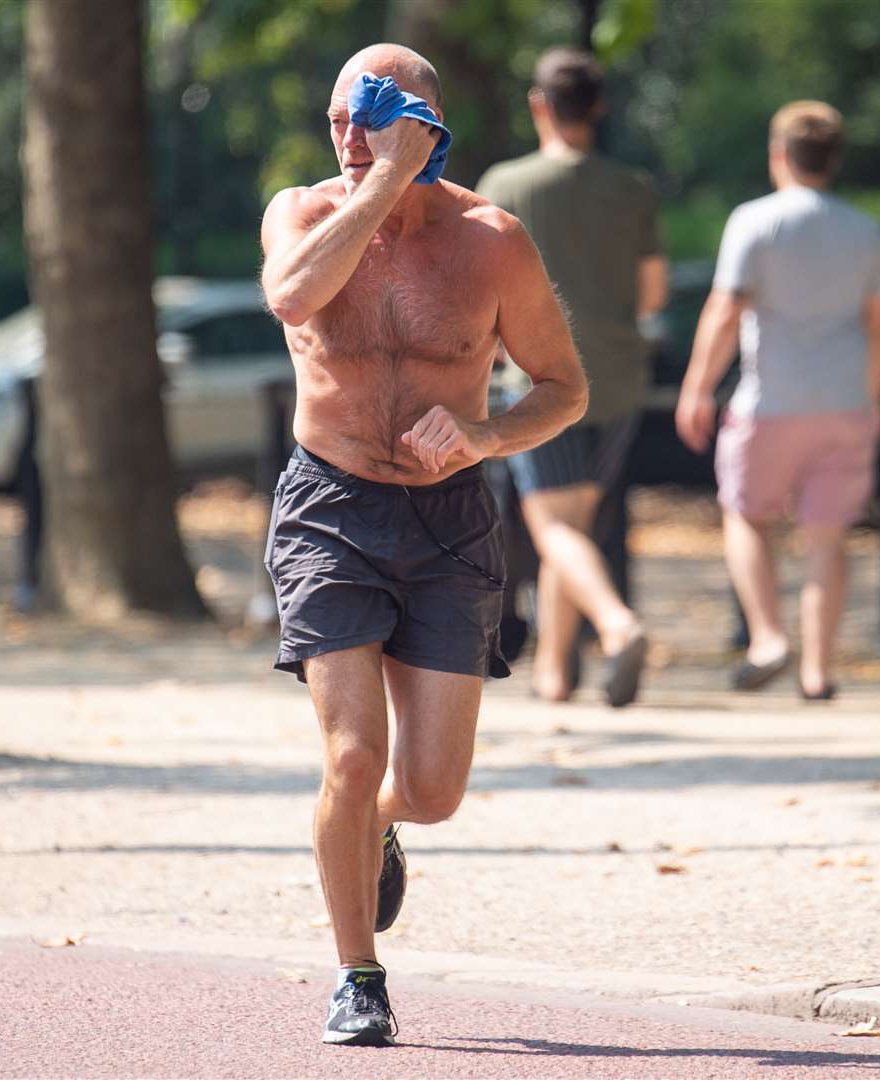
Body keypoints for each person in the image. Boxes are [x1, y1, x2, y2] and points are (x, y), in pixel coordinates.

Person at [259, 43, 588, 1047]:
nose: (346, 137)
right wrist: (385, 179)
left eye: (371, 114)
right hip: (328, 510)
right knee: (352, 756)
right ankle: (358, 975)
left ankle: (372, 829)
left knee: (432, 790)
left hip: (448, 523)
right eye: (336, 118)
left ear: (425, 119)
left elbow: (563, 388)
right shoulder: (305, 214)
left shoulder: (492, 240)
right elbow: (291, 295)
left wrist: (485, 436)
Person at [675, 101, 880, 701]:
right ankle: (819, 671)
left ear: (779, 156)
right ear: (836, 159)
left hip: (769, 401)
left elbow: (725, 310)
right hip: (845, 402)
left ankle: (768, 636)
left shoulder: (754, 220)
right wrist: (872, 400)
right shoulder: (866, 230)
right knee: (827, 538)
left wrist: (697, 386)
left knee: (746, 514)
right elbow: (879, 328)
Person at [476, 47, 665, 707]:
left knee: (551, 529)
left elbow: (481, 292)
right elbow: (651, 293)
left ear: (538, 106)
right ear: (599, 107)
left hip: (535, 380)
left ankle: (616, 625)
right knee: (573, 526)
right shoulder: (633, 188)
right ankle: (553, 675)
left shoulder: (503, 186)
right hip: (617, 378)